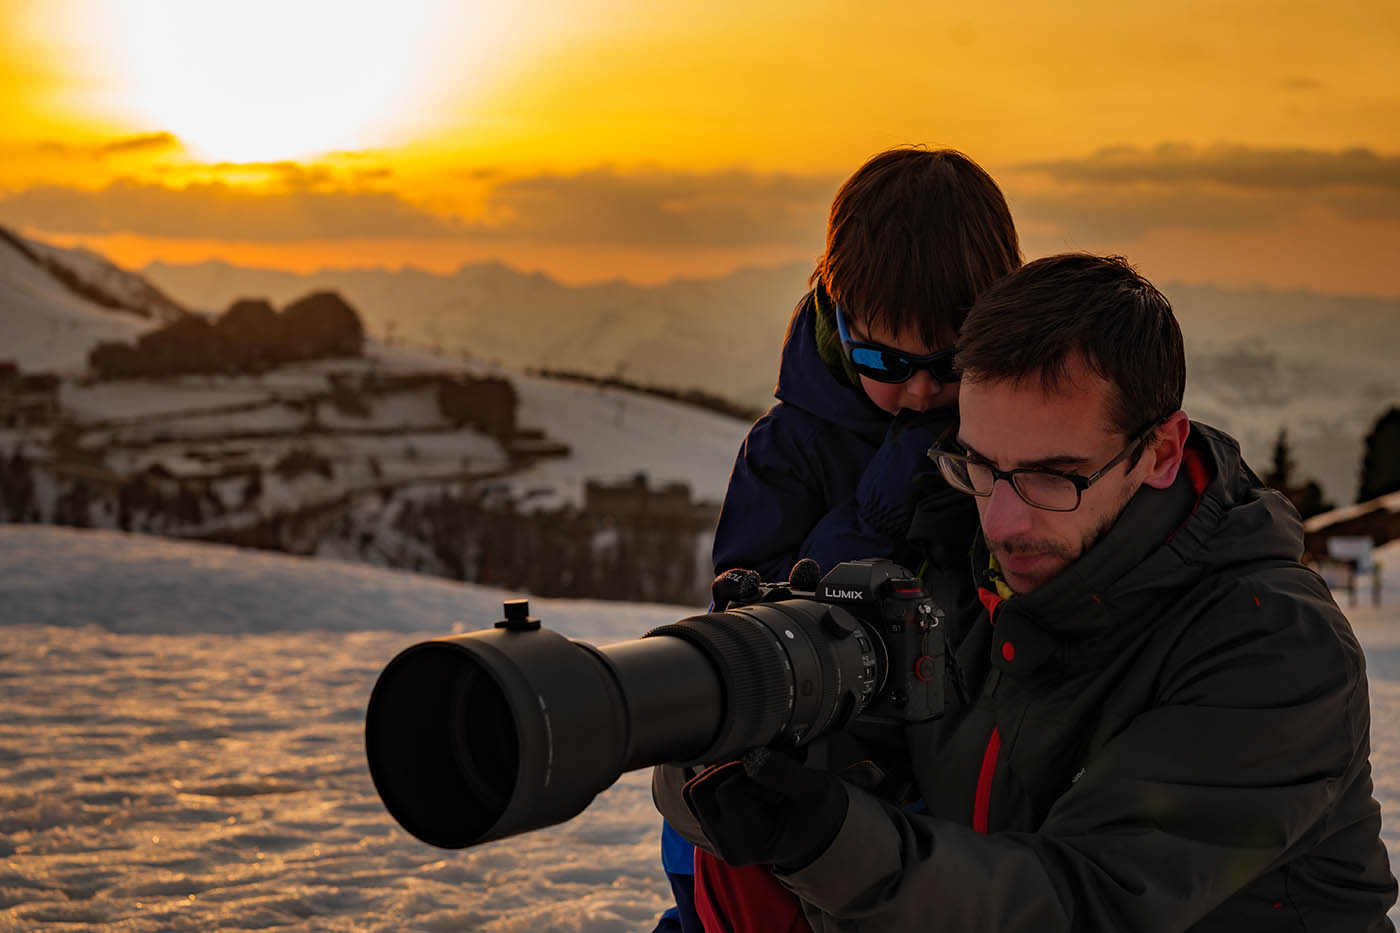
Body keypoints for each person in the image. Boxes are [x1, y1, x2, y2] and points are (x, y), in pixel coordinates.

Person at [655, 253, 1398, 931]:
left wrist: (833, 843)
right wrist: (731, 702)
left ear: (1161, 452)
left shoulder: (1273, 650)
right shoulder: (962, 567)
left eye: (1053, 475)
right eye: (978, 463)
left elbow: (1086, 903)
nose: (1003, 519)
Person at [653, 147, 1022, 933]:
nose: (920, 389)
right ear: (835, 310)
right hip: (828, 754)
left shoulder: (1011, 429)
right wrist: (871, 521)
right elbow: (751, 609)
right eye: (885, 360)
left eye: (947, 361)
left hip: (958, 745)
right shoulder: (789, 448)